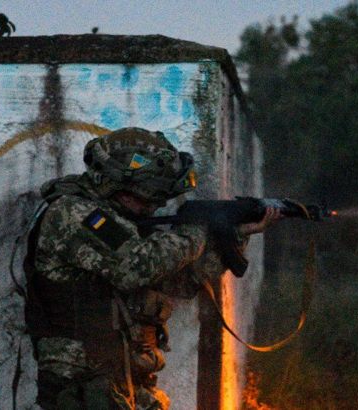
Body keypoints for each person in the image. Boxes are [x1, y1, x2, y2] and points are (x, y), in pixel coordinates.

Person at [23, 127, 279, 409]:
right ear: (116, 184)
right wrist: (198, 231)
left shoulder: (123, 226)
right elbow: (137, 267)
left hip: (124, 382)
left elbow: (179, 283)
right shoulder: (74, 213)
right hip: (81, 385)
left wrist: (237, 234)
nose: (153, 207)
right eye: (147, 198)